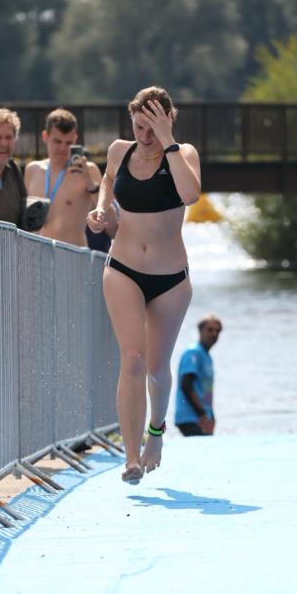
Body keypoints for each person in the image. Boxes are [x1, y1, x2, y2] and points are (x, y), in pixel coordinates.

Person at [87, 86, 200, 483]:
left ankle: (156, 431)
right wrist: (102, 209)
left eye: (152, 128)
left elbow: (191, 195)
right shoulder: (120, 150)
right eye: (139, 127)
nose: (144, 136)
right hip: (124, 267)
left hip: (171, 279)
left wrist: (167, 139)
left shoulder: (183, 154)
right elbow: (107, 179)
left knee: (156, 369)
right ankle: (131, 457)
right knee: (132, 359)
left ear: (167, 121)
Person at [24, 108, 107, 247]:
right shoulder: (32, 170)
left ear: (75, 140)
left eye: (68, 143)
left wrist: (90, 184)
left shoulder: (88, 170)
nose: (62, 148)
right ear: (45, 137)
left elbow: (106, 215)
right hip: (38, 257)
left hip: (74, 258)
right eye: (57, 141)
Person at [175, 314, 223, 436]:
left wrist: (211, 416)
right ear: (200, 331)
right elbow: (186, 385)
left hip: (203, 416)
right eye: (210, 330)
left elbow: (205, 390)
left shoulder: (206, 356)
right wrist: (202, 414)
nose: (214, 334)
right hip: (191, 417)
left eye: (217, 331)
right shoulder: (193, 353)